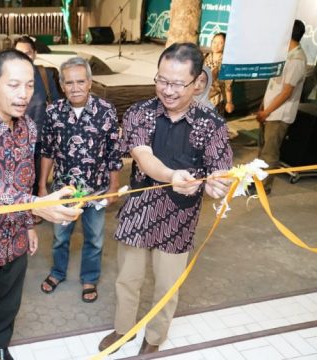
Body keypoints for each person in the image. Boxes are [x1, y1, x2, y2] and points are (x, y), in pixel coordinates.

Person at [97, 43, 233, 355]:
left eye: (176, 84)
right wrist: (172, 176)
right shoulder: (139, 112)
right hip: (139, 213)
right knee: (127, 279)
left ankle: (155, 336)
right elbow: (143, 158)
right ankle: (123, 330)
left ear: (198, 82)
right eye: (161, 80)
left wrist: (216, 185)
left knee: (166, 287)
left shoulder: (211, 125)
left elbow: (220, 171)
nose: (167, 90)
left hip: (180, 218)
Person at [0, 49, 83, 360]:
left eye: (30, 85)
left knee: (6, 304)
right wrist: (35, 206)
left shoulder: (28, 129)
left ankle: (0, 345)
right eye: (14, 85)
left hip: (14, 240)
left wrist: (28, 225)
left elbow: (23, 180)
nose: (24, 95)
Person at [38, 57, 122, 303]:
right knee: (59, 237)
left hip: (96, 190)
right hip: (64, 192)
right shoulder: (53, 112)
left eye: (80, 81)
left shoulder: (105, 111)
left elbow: (113, 153)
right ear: (62, 85)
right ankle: (57, 272)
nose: (75, 87)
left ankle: (89, 278)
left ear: (90, 83)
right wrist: (43, 185)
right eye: (69, 82)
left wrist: (114, 186)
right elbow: (47, 151)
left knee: (94, 239)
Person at [255, 20, 308, 195]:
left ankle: (265, 187)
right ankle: (257, 181)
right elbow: (273, 84)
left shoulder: (297, 60)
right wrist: (263, 106)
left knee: (270, 153)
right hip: (269, 111)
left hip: (278, 114)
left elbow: (286, 92)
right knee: (262, 150)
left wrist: (266, 111)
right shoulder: (285, 54)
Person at [13, 35, 61, 196]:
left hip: (41, 137)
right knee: (17, 177)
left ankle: (36, 207)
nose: (23, 57)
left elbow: (56, 104)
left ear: (34, 54)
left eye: (27, 53)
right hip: (15, 138)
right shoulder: (6, 78)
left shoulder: (44, 75)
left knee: (38, 176)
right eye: (19, 53)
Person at [204, 33, 234, 116]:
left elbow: (228, 85)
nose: (216, 45)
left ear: (225, 45)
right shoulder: (204, 57)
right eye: (214, 42)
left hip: (216, 99)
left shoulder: (226, 63)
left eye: (220, 43)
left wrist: (229, 102)